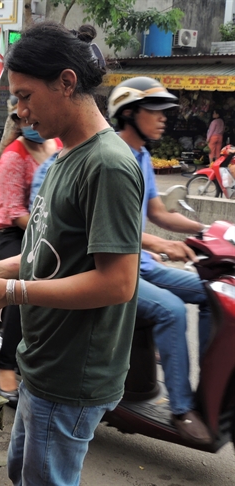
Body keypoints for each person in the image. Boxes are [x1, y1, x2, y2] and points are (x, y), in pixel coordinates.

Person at [0, 21, 143, 486]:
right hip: (42, 360)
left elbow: (118, 282)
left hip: (72, 373)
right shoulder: (65, 156)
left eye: (26, 96)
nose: (20, 112)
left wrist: (10, 291)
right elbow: (52, 251)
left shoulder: (108, 165)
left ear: (66, 83)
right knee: (20, 472)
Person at [109, 76, 212, 444]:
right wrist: (160, 244)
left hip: (143, 264)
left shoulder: (141, 156)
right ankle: (181, 408)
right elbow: (109, 227)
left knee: (211, 289)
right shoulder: (111, 157)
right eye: (155, 110)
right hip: (114, 266)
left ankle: (209, 393)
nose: (164, 118)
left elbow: (158, 212)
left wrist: (211, 231)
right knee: (171, 310)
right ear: (129, 113)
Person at [0, 115, 62, 406]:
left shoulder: (56, 143)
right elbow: (16, 213)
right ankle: (6, 366)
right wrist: (54, 233)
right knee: (29, 283)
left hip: (48, 230)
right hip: (13, 233)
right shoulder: (12, 157)